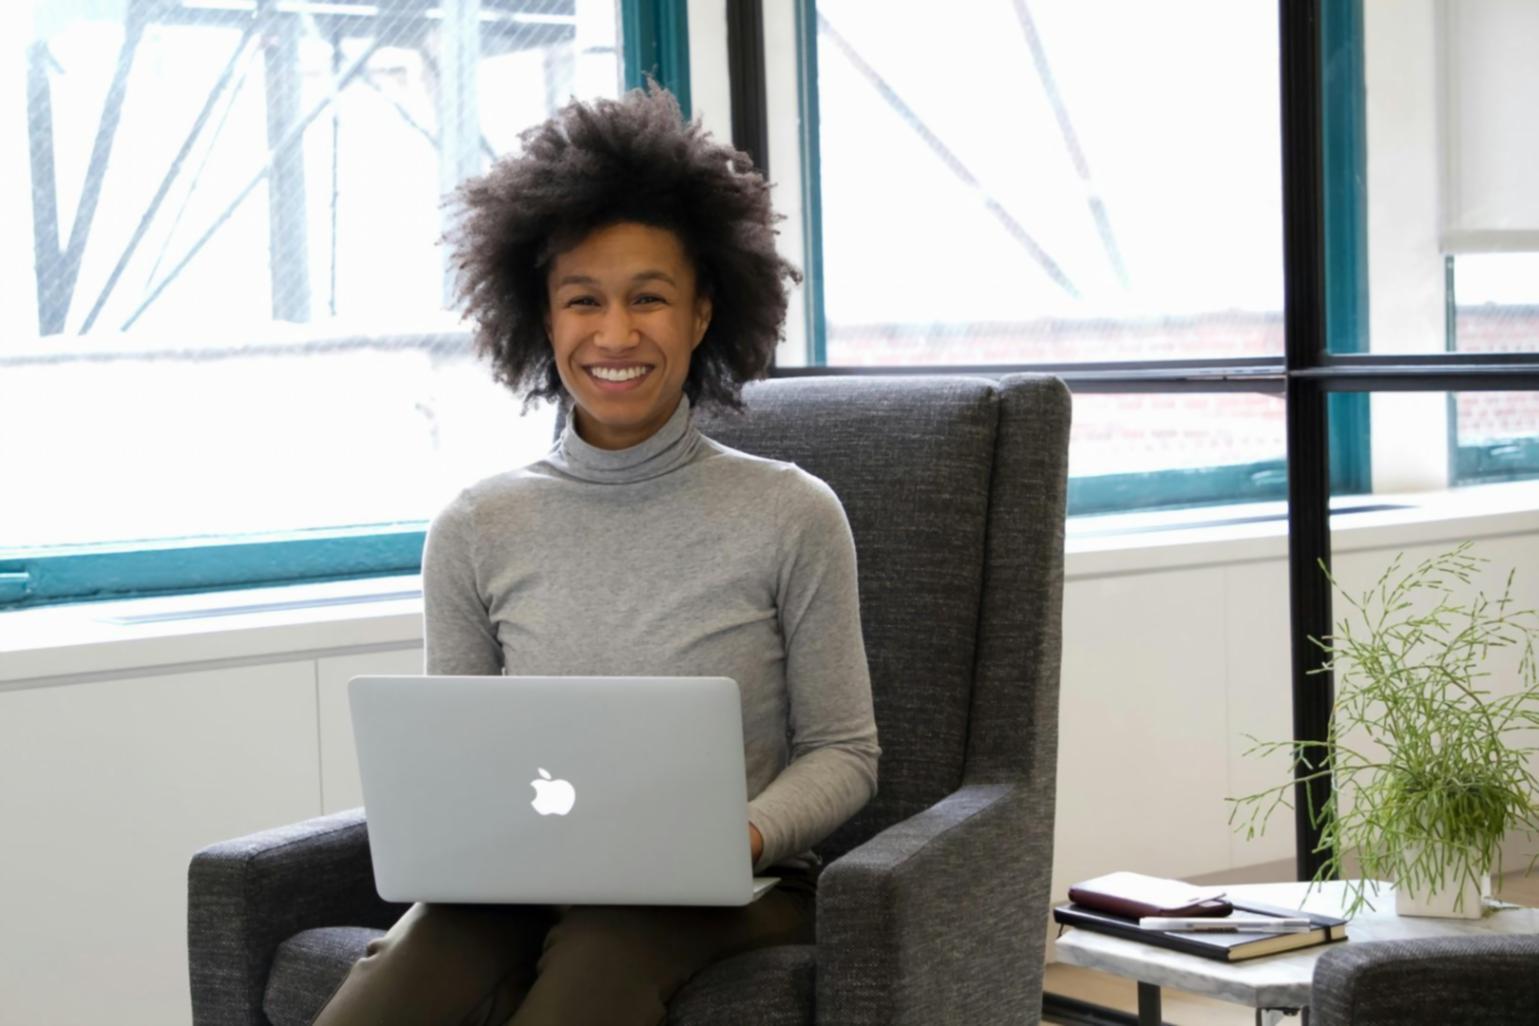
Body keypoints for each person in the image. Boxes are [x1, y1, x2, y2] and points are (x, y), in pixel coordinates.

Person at [310, 85, 880, 1026]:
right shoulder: (475, 526)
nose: (616, 334)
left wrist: (737, 836)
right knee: (389, 992)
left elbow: (844, 753)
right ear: (543, 318)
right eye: (583, 301)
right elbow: (460, 769)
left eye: (648, 298)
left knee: (596, 967)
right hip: (519, 880)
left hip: (738, 886)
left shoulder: (791, 512)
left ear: (702, 313)